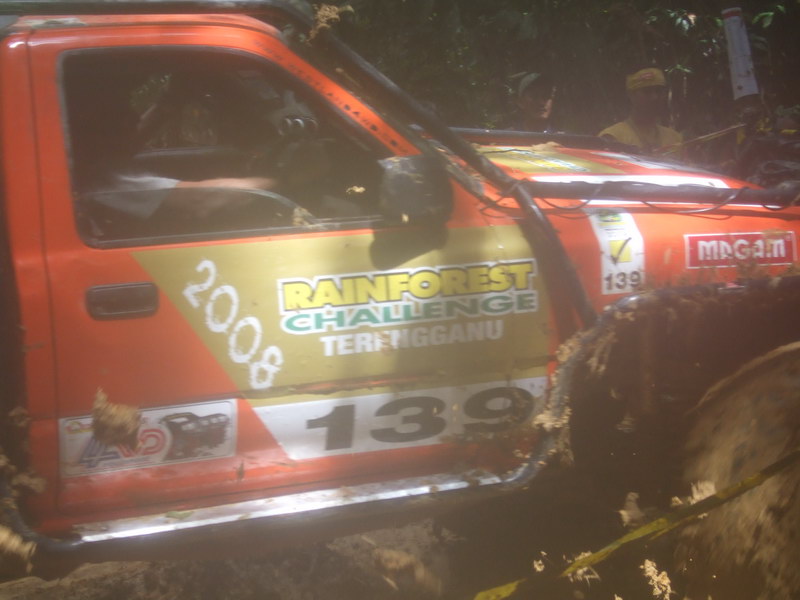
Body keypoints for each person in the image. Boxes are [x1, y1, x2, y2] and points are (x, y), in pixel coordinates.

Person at [598, 67, 682, 155]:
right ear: (631, 95)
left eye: (659, 91)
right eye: (647, 92)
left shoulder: (674, 139)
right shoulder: (613, 137)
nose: (654, 97)